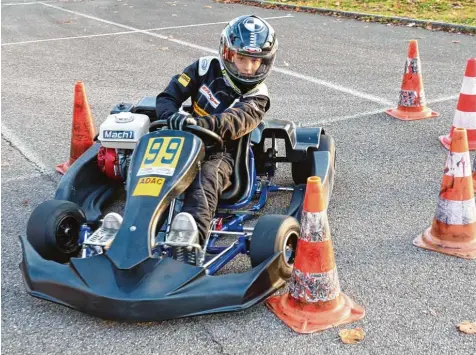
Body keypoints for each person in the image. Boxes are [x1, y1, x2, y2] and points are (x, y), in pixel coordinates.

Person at [155, 14, 278, 246]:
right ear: (228, 53)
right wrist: (171, 117)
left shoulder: (258, 96)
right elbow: (167, 97)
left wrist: (196, 124)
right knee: (144, 168)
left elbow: (233, 122)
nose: (249, 68)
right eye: (242, 58)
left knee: (205, 181)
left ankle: (190, 242)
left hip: (221, 152)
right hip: (182, 140)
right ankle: (127, 228)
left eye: (256, 61)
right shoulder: (203, 68)